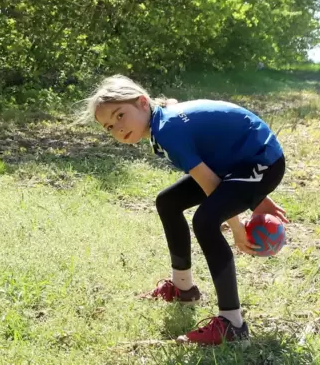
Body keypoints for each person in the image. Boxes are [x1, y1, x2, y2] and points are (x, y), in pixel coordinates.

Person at [79, 75, 288, 345]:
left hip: (261, 161)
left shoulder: (167, 129)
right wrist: (252, 196)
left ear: (143, 103)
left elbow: (211, 185)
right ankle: (183, 289)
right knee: (168, 202)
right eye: (109, 127)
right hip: (238, 164)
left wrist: (238, 225)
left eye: (120, 115)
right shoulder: (161, 121)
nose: (117, 128)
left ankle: (233, 324)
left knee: (206, 221)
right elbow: (214, 162)